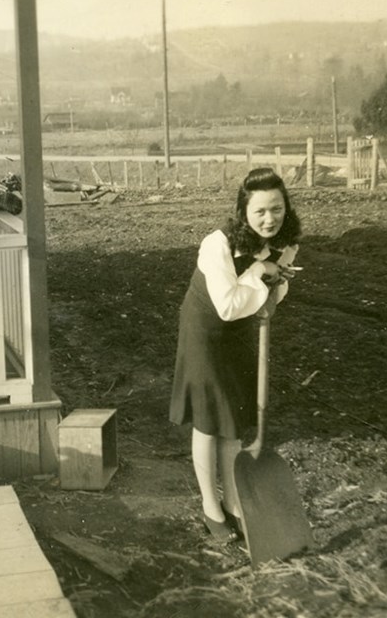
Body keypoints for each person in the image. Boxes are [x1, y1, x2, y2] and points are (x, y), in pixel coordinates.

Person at [169, 167, 301, 544]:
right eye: (259, 211)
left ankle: (234, 503)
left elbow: (278, 290)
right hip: (207, 329)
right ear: (244, 211)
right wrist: (261, 269)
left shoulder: (287, 241)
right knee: (210, 420)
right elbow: (226, 306)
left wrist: (275, 283)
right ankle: (211, 509)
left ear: (285, 207)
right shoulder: (219, 244)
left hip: (243, 328)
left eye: (276, 209)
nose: (269, 219)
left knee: (233, 418)